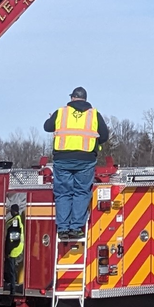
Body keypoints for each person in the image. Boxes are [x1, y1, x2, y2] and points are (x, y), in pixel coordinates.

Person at [43, 87, 109, 240]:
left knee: (63, 193)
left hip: (62, 159)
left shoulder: (61, 112)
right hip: (85, 160)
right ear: (85, 99)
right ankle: (76, 227)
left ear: (72, 98)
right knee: (81, 192)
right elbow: (104, 135)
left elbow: (47, 127)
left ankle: (63, 228)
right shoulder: (94, 114)